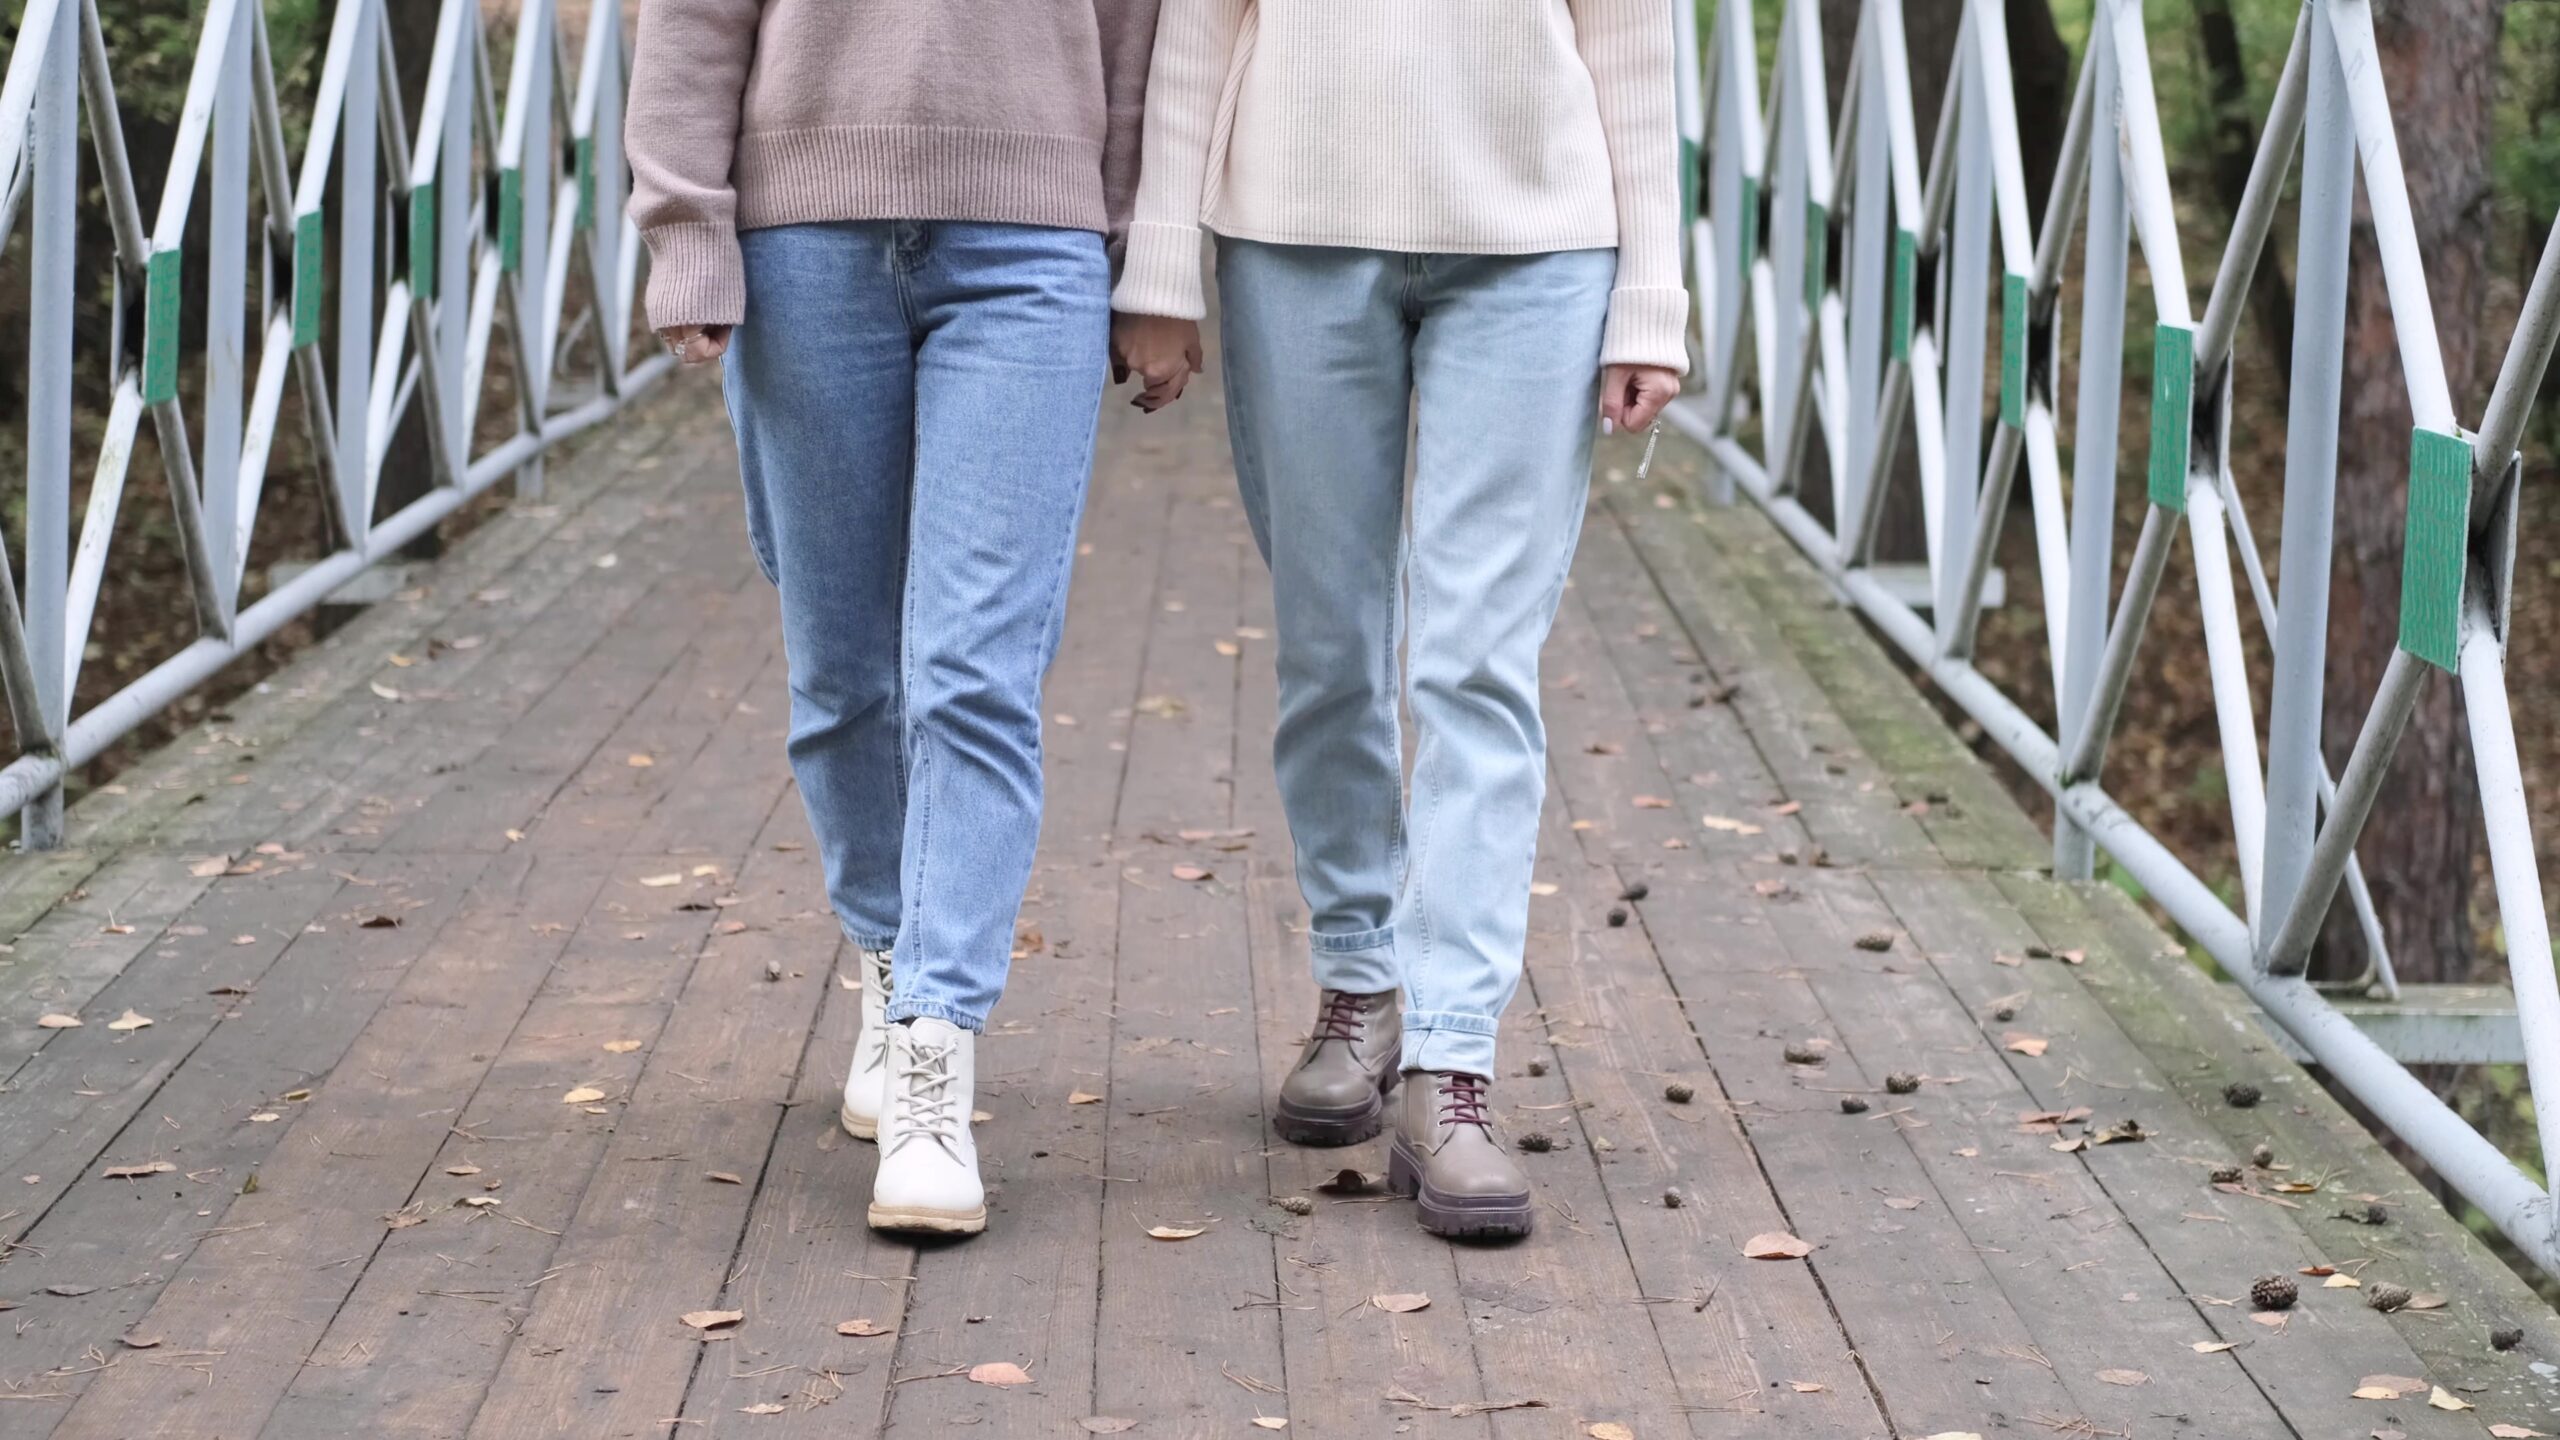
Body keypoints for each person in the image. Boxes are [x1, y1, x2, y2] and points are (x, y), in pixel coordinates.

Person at [1111, 0, 1688, 1238]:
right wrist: (1160, 269)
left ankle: (1451, 1064)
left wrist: (1652, 294)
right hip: (1291, 233)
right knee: (1330, 649)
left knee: (1476, 667)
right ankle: (1360, 980)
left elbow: (1636, 41)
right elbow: (1195, 33)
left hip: (1539, 248)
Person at [625, 0, 1166, 1238]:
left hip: (1033, 245)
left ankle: (935, 1044)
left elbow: (1139, 36)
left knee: (973, 671)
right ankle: (885, 950)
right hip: (804, 241)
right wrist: (686, 233)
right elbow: (694, 20)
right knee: (844, 675)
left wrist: (1148, 257)